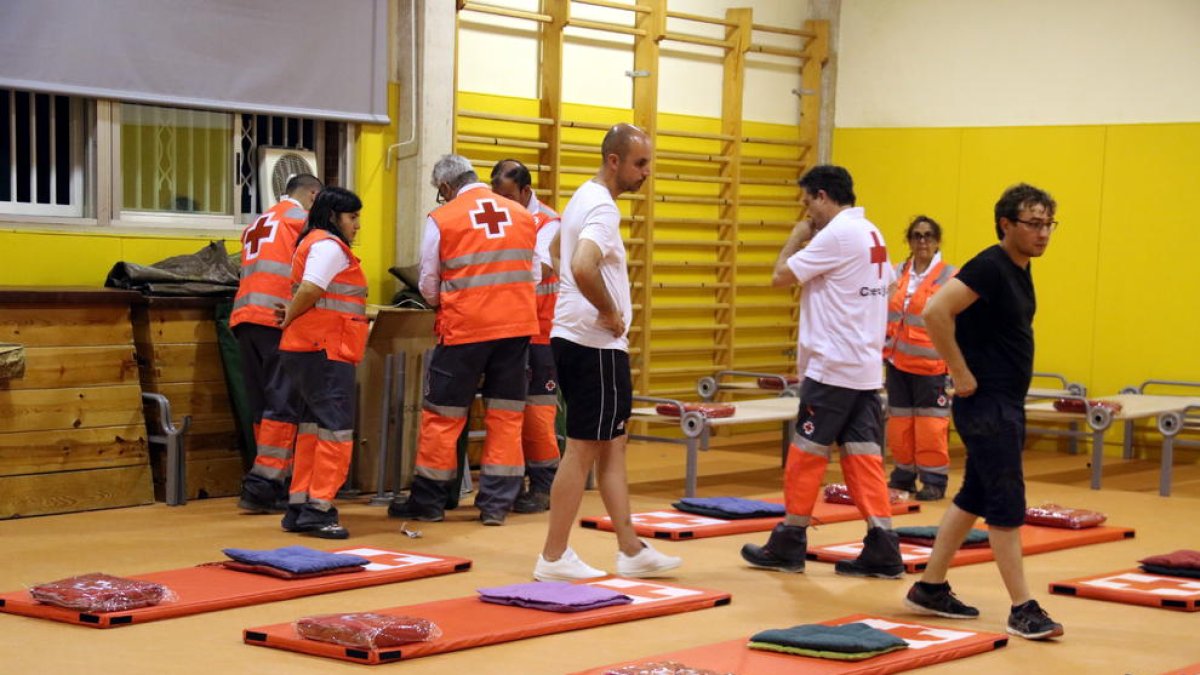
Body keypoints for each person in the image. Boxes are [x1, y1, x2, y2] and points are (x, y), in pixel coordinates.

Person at [904, 183, 1064, 641]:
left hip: (1004, 402)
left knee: (975, 494)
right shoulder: (990, 266)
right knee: (1005, 500)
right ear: (1006, 224)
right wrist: (960, 372)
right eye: (1033, 224)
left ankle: (930, 587)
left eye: (1048, 224)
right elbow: (934, 311)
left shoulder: (1020, 267)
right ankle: (1022, 607)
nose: (1043, 233)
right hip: (988, 404)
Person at [532, 123, 681, 581]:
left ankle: (630, 547)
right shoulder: (601, 208)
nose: (647, 172)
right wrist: (609, 309)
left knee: (613, 445)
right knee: (582, 449)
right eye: (640, 163)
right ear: (614, 160)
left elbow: (555, 249)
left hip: (586, 339)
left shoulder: (583, 198)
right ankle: (553, 557)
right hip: (592, 342)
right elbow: (579, 263)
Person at [740, 165, 904, 578]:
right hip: (864, 367)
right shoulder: (873, 232)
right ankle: (883, 545)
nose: (805, 210)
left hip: (833, 367)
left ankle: (789, 542)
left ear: (824, 196)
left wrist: (797, 236)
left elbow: (780, 276)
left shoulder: (836, 235)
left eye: (807, 201)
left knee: (806, 455)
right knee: (863, 457)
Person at [388, 154, 539, 526]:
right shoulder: (521, 214)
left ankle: (430, 503)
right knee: (505, 416)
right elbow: (533, 274)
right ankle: (496, 505)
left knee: (443, 417)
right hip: (515, 330)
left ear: (445, 187)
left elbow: (428, 283)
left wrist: (449, 303)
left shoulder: (443, 218)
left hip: (464, 331)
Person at [272, 186, 368, 539]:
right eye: (352, 217)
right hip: (325, 349)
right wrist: (290, 316)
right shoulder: (329, 247)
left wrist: (291, 317)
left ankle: (300, 505)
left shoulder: (311, 242)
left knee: (312, 428)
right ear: (333, 217)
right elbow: (311, 288)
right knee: (335, 430)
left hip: (309, 348)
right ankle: (319, 508)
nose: (357, 225)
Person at [231, 173, 323, 513]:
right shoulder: (302, 222)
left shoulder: (258, 222)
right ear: (313, 195)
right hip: (277, 319)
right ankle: (265, 486)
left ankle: (271, 476)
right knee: (283, 404)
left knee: (263, 406)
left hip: (246, 319)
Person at [490, 158, 561, 514]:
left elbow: (539, 268)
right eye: (496, 196)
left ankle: (546, 486)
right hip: (507, 330)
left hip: (541, 332)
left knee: (538, 415)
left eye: (507, 196)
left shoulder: (548, 223)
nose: (501, 204)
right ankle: (513, 485)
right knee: (509, 415)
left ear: (525, 191)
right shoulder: (500, 218)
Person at [883, 216, 957, 501]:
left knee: (930, 425)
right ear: (909, 240)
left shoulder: (950, 276)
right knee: (899, 423)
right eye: (916, 236)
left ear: (937, 240)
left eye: (928, 236)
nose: (922, 241)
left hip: (932, 364)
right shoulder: (895, 273)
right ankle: (903, 476)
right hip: (897, 362)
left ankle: (934, 480)